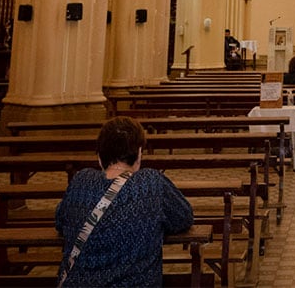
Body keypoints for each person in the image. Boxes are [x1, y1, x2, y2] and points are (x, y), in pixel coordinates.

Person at [55, 117, 194, 287]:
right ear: (139, 154)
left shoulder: (81, 181)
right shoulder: (150, 182)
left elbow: (60, 220)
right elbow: (183, 217)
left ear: (99, 157)